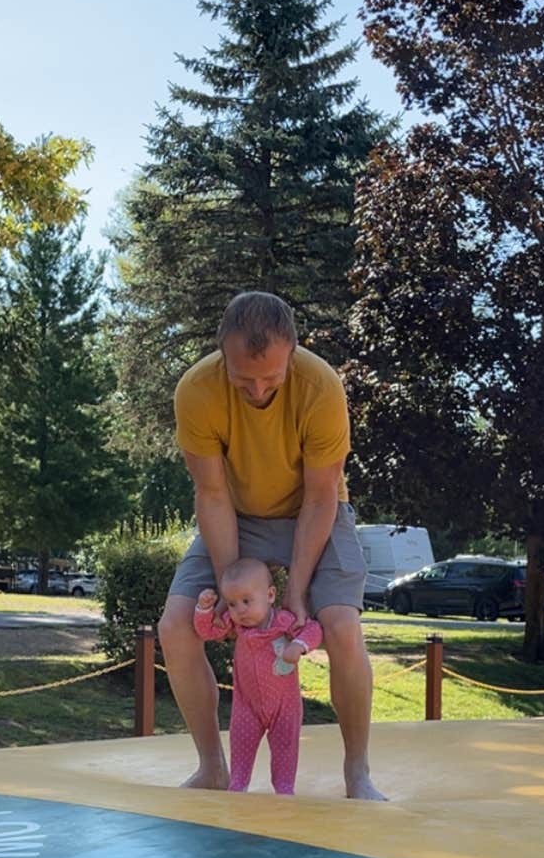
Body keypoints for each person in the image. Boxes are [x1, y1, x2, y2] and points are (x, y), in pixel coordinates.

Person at [159, 289, 384, 801]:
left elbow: (321, 498)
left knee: (343, 626)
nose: (259, 392)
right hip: (235, 514)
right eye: (244, 381)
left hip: (314, 512)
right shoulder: (196, 391)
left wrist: (297, 593)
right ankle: (213, 767)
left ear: (293, 356)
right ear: (222, 356)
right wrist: (227, 588)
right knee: (175, 624)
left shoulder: (320, 386)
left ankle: (358, 774)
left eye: (272, 380)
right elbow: (212, 494)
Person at [193, 556, 322, 795]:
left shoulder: (284, 621)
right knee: (241, 745)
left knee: (285, 747)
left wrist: (300, 645)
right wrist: (203, 608)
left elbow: (313, 629)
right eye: (231, 604)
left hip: (285, 706)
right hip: (247, 705)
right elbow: (207, 631)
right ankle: (238, 786)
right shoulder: (235, 626)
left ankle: (284, 790)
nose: (239, 610)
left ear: (270, 595)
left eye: (246, 601)